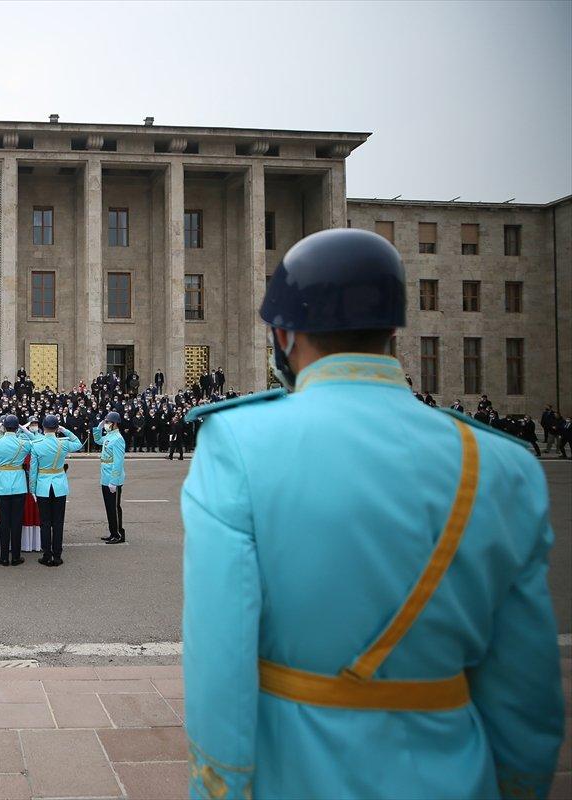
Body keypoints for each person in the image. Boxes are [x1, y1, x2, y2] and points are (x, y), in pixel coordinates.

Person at [181, 228, 563, 799]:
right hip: (455, 775)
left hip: (298, 772)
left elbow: (220, 661)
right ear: (392, 328)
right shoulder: (503, 466)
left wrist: (221, 788)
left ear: (283, 334)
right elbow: (526, 695)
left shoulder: (237, 443)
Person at [28, 414, 82, 566]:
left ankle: (46, 555)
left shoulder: (36, 444)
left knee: (45, 522)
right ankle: (57, 555)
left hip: (43, 486)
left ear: (43, 428)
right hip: (59, 485)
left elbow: (33, 470)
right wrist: (65, 431)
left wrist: (32, 489)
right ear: (57, 428)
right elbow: (78, 443)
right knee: (58, 522)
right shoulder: (62, 444)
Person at [0, 414, 34, 565]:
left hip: (1, 486)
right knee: (16, 522)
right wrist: (24, 430)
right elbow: (37, 440)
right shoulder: (24, 444)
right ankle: (15, 556)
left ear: (4, 426)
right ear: (17, 427)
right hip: (19, 485)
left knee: (4, 522)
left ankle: (4, 556)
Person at [93, 411, 127, 543]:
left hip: (113, 479)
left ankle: (118, 534)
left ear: (115, 423)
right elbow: (97, 440)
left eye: (107, 422)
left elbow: (118, 462)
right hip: (105, 476)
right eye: (105, 422)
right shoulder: (109, 435)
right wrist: (98, 428)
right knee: (109, 507)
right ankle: (113, 532)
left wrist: (114, 481)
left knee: (114, 507)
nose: (106, 424)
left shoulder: (118, 439)